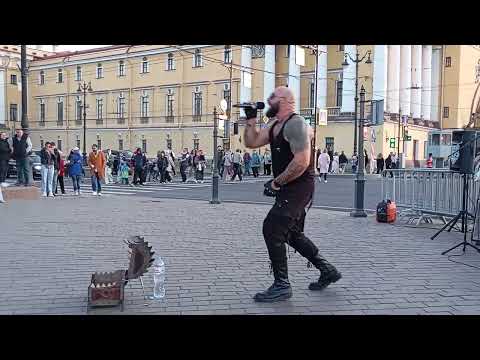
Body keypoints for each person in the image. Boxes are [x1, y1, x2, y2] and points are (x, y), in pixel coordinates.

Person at [243, 86, 341, 302]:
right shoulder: (274, 124)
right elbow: (251, 142)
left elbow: (302, 161)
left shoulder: (296, 124)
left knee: (272, 228)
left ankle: (282, 285)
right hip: (289, 187)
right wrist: (250, 118)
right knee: (292, 235)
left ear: (286, 100)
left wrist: (276, 182)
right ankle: (328, 270)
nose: (268, 100)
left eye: (273, 97)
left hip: (299, 187)